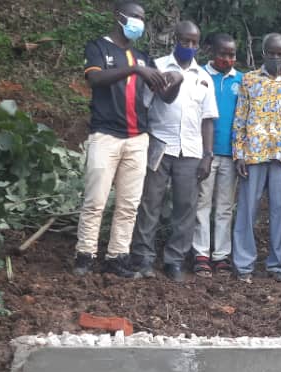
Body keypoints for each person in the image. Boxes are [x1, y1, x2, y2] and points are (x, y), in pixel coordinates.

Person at [74, 1, 171, 278]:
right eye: (135, 16)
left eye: (143, 17)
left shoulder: (142, 56)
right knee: (95, 200)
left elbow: (162, 93)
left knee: (129, 204)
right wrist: (134, 70)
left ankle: (117, 256)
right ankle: (85, 255)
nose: (139, 22)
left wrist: (173, 79)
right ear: (118, 16)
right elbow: (95, 80)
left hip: (138, 138)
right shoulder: (98, 47)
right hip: (105, 134)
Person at [129, 21, 218, 283]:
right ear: (174, 40)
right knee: (150, 203)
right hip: (159, 145)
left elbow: (208, 120)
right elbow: (144, 106)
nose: (189, 46)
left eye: (194, 42)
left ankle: (174, 260)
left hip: (191, 150)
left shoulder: (204, 77)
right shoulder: (157, 67)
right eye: (184, 41)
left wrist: (208, 155)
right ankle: (143, 257)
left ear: (199, 45)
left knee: (185, 207)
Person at [231, 33, 281, 283]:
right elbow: (240, 118)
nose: (275, 57)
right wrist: (238, 154)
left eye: (280, 54)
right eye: (271, 53)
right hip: (253, 154)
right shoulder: (249, 80)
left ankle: (279, 265)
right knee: (247, 210)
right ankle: (243, 265)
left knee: (280, 211)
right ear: (263, 53)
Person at [191, 34, 243, 277]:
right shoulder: (199, 75)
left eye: (232, 55)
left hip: (230, 154)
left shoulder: (241, 80)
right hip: (204, 153)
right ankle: (200, 254)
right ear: (212, 52)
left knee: (224, 207)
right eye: (223, 54)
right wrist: (204, 152)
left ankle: (221, 255)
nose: (227, 59)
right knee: (202, 203)